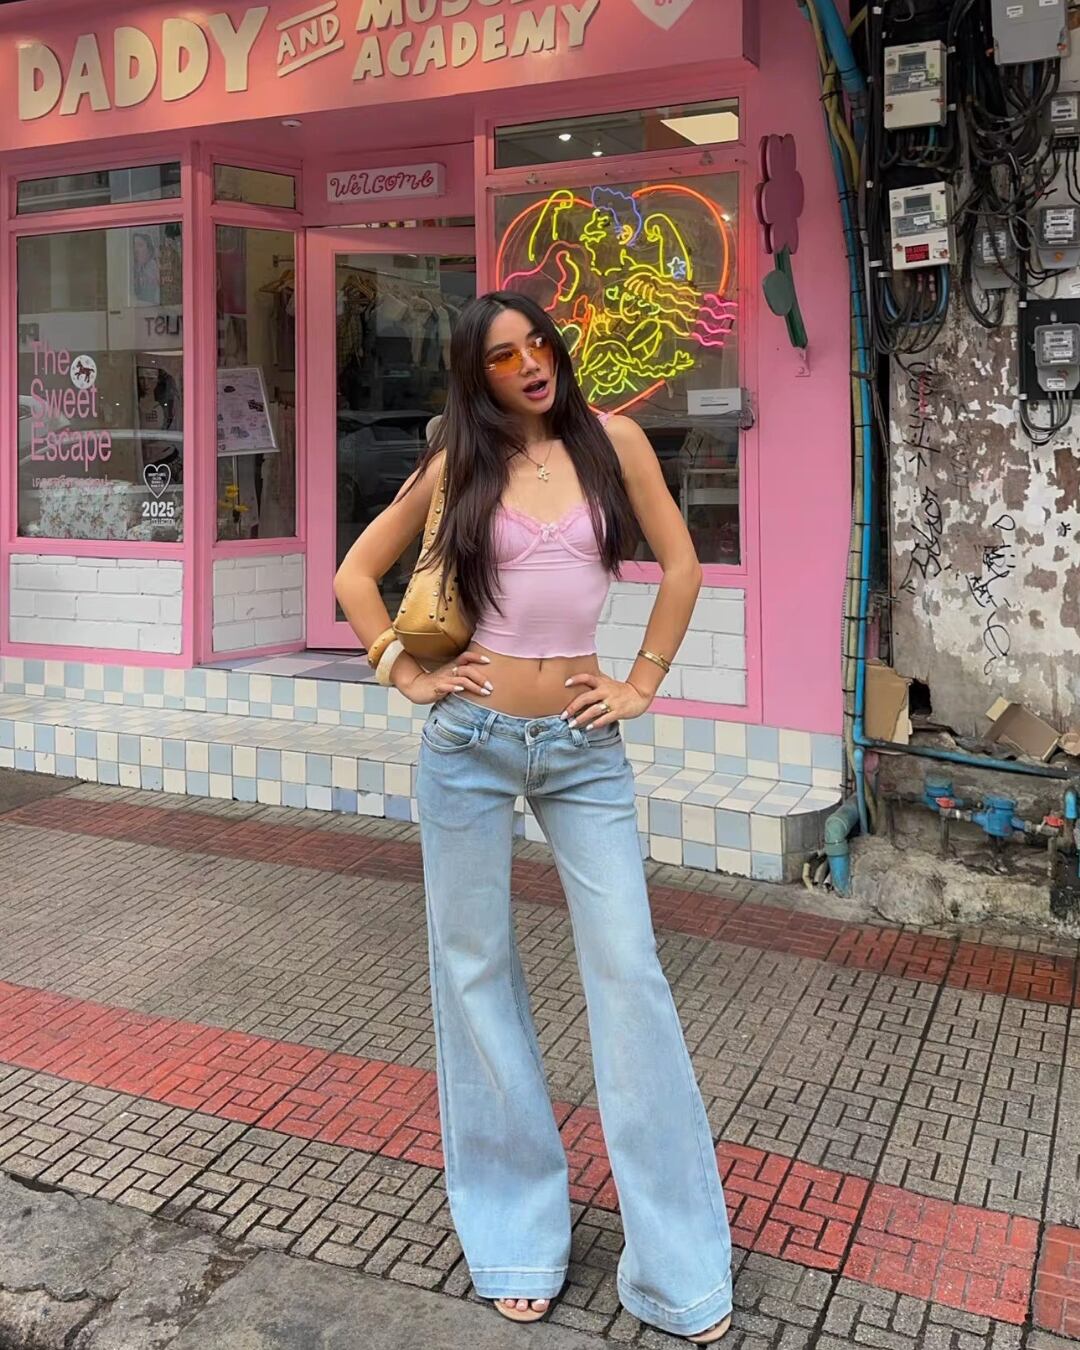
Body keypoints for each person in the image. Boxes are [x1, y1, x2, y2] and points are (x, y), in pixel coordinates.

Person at [334, 291, 732, 1343]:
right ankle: (516, 1233)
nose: (530, 364)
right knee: (474, 973)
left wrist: (641, 683)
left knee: (630, 971)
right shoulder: (458, 462)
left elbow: (683, 567)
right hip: (467, 743)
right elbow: (355, 574)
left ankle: (679, 1269)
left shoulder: (615, 442)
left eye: (538, 344)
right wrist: (404, 675)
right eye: (504, 356)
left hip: (583, 747)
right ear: (478, 375)